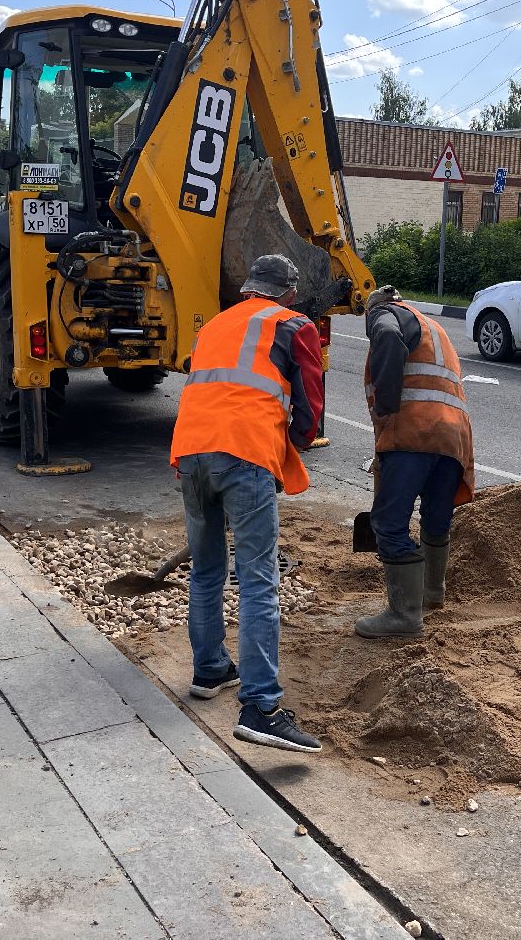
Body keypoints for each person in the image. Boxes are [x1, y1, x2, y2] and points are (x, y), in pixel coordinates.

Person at [169, 254, 325, 754]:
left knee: (206, 571)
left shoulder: (214, 326)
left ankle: (209, 668)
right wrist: (285, 450)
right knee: (258, 580)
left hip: (190, 454)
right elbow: (310, 411)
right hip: (244, 456)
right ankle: (261, 706)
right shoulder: (292, 324)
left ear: (247, 289)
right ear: (289, 293)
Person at [356, 284, 474, 638]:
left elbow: (388, 337)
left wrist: (386, 406)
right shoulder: (430, 326)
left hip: (414, 433)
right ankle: (431, 593)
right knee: (436, 517)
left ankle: (404, 616)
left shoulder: (385, 315)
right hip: (453, 437)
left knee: (390, 524)